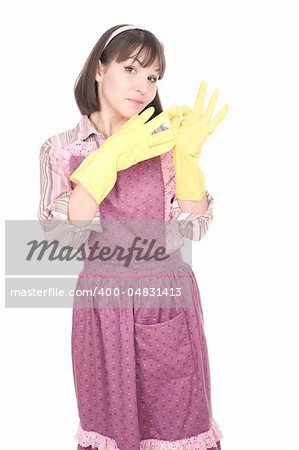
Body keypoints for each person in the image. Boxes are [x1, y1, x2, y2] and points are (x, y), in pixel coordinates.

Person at [38, 23, 229, 450]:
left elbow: (192, 227)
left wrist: (188, 158)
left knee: (179, 424)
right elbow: (62, 237)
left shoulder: (163, 145)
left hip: (165, 301)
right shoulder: (61, 149)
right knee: (109, 428)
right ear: (99, 70)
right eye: (131, 68)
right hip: (101, 307)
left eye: (153, 77)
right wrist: (108, 159)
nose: (143, 85)